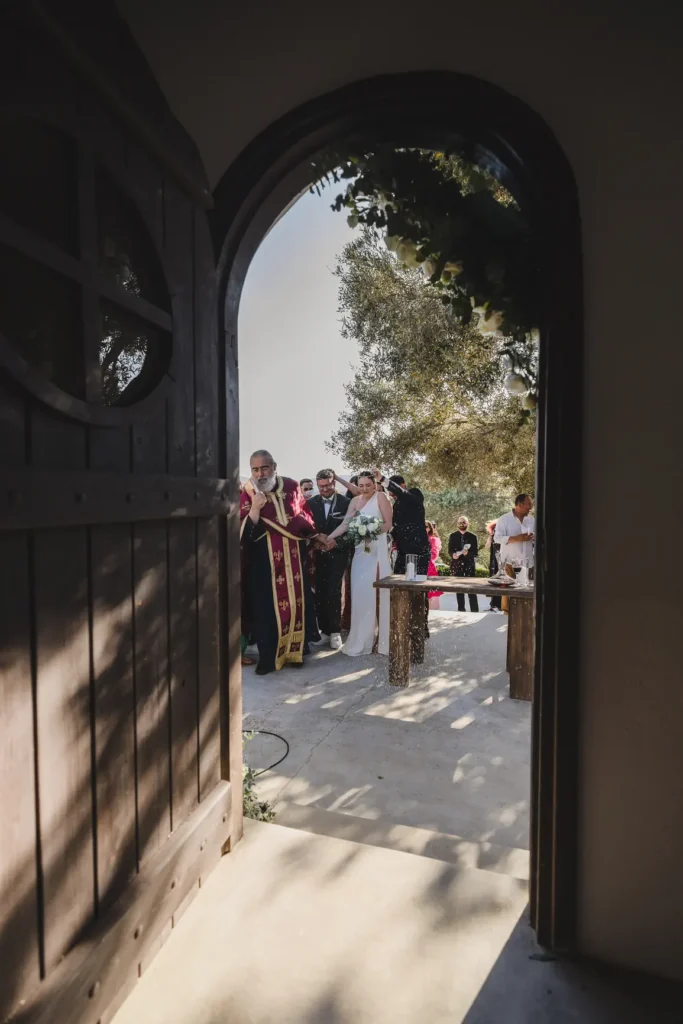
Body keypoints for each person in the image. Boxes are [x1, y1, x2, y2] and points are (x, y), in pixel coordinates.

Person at [240, 450, 321, 675]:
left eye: (264, 468)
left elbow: (303, 515)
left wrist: (314, 535)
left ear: (274, 466)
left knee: (297, 604)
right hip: (263, 561)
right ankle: (268, 658)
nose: (260, 474)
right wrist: (255, 508)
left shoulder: (292, 486)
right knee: (266, 609)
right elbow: (242, 529)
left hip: (294, 556)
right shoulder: (247, 491)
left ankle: (296, 652)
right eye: (255, 469)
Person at [325, 470, 393, 656]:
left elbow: (388, 524)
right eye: (361, 486)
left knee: (378, 594)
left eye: (368, 485)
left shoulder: (382, 498)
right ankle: (362, 639)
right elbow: (346, 524)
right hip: (360, 552)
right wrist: (328, 538)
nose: (364, 489)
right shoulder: (354, 501)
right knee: (361, 593)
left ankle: (383, 640)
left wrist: (372, 531)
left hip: (377, 551)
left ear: (375, 484)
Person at [306, 469, 351, 650]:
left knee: (333, 591)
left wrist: (336, 543)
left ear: (334, 483)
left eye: (328, 485)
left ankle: (335, 632)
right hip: (316, 555)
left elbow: (351, 530)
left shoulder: (346, 503)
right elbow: (306, 527)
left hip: (338, 554)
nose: (324, 489)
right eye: (321, 486)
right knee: (318, 592)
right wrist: (315, 542)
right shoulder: (310, 503)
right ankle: (323, 631)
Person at [385, 474, 430, 575]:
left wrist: (384, 480)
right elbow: (397, 526)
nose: (391, 495)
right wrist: (388, 537)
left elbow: (403, 494)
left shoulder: (415, 493)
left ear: (403, 486)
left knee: (418, 582)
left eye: (393, 491)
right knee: (398, 580)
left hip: (418, 548)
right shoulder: (396, 505)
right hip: (402, 550)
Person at [494, 494, 535, 570]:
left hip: (528, 565)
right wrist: (516, 538)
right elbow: (497, 538)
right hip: (509, 566)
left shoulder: (531, 519)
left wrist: (534, 537)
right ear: (520, 504)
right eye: (529, 504)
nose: (531, 507)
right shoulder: (504, 519)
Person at [448, 515, 480, 612]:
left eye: (463, 522)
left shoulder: (473, 537)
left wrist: (468, 554)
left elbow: (475, 553)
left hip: (469, 565)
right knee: (459, 590)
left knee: (472, 590)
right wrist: (453, 555)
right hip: (457, 566)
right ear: (457, 524)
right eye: (460, 522)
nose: (461, 524)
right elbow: (450, 550)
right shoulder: (452, 536)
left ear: (467, 523)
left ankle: (475, 611)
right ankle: (461, 610)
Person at [485, 519, 502, 611]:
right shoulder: (493, 535)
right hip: (494, 561)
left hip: (500, 560)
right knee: (494, 578)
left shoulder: (502, 535)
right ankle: (494, 603)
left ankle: (498, 604)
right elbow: (488, 547)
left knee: (499, 580)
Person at [426, 521, 443, 605]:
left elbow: (434, 555)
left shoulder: (433, 540)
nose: (424, 528)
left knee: (430, 591)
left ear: (430, 528)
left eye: (426, 527)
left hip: (430, 567)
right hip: (419, 566)